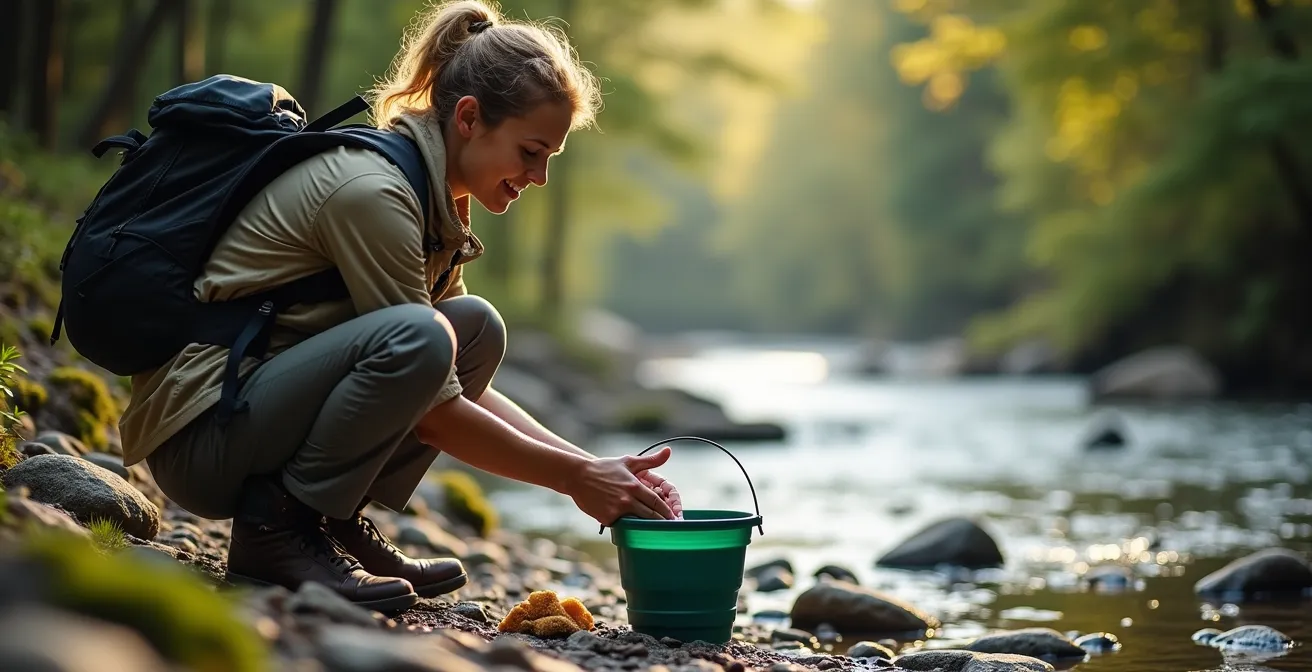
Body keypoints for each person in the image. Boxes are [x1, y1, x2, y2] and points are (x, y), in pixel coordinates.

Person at [117, 0, 683, 613]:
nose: (539, 176)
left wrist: (590, 466)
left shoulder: (435, 195)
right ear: (469, 118)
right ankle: (276, 532)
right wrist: (572, 479)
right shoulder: (375, 194)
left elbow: (449, 379)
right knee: (425, 335)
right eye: (530, 151)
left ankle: (327, 523)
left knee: (473, 330)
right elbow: (435, 401)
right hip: (202, 435)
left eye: (548, 158)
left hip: (254, 409)